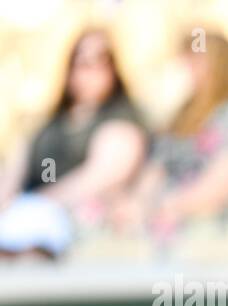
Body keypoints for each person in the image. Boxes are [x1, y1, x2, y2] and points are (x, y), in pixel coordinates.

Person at [0, 28, 147, 258]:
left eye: (100, 61)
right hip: (21, 223)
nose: (90, 71)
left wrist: (39, 205)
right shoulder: (47, 125)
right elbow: (11, 177)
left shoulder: (120, 122)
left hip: (70, 230)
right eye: (82, 62)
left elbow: (98, 178)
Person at [111, 31, 228, 244]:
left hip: (203, 221)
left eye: (197, 59)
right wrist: (138, 204)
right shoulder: (181, 114)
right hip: (160, 212)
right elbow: (156, 169)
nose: (188, 66)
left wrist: (165, 206)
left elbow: (220, 185)